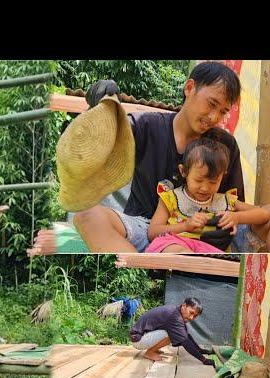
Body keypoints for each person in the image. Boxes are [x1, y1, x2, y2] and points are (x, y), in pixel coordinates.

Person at [28, 61, 258, 255]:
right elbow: (101, 138)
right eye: (212, 104)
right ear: (190, 88)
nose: (214, 117)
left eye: (223, 111)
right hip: (143, 225)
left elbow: (233, 206)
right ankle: (143, 269)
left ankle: (177, 265)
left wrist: (219, 227)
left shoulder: (225, 145)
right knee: (87, 216)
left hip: (201, 233)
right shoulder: (145, 126)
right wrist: (102, 106)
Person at [146, 137, 270, 253]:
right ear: (183, 171)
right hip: (180, 245)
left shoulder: (226, 201)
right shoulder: (171, 198)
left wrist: (237, 217)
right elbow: (153, 232)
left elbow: (266, 212)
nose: (205, 188)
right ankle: (192, 265)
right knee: (172, 247)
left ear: (222, 176)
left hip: (215, 252)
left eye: (213, 182)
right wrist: (185, 226)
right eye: (198, 180)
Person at [129, 297, 215, 365]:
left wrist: (200, 350)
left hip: (144, 335)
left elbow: (186, 335)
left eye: (195, 316)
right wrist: (204, 360)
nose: (191, 318)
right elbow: (185, 341)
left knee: (177, 332)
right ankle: (150, 352)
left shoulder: (176, 312)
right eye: (191, 313)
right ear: (184, 306)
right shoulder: (174, 316)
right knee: (170, 334)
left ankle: (153, 349)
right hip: (138, 339)